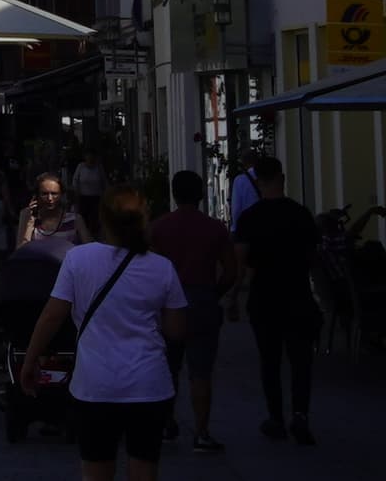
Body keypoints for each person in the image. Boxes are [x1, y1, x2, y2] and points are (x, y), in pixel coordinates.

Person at [21, 186, 188, 481]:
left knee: (96, 470)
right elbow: (176, 330)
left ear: (103, 220)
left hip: (95, 385)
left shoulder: (79, 259)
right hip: (148, 385)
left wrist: (30, 359)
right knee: (144, 470)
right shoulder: (162, 267)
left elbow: (52, 316)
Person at [146, 168, 240, 456]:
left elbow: (148, 269)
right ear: (200, 194)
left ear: (174, 194)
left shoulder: (160, 227)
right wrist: (214, 293)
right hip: (202, 300)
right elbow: (231, 270)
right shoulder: (214, 228)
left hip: (169, 302)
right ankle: (201, 432)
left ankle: (166, 423)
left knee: (167, 368)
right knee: (201, 372)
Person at [230, 153, 319, 445]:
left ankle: (276, 418)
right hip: (298, 295)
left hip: (264, 298)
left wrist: (232, 298)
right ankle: (301, 414)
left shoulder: (250, 219)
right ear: (282, 178)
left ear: (258, 182)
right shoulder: (301, 213)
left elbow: (240, 264)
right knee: (300, 359)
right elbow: (313, 256)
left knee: (269, 360)